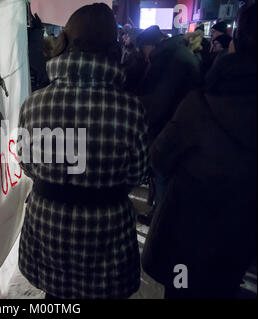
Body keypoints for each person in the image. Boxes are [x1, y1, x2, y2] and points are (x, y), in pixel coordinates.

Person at [17, 3, 149, 299]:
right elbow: (138, 172)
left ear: (64, 42)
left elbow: (26, 163)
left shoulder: (34, 103)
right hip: (106, 228)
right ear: (114, 49)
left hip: (48, 223)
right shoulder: (130, 108)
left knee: (56, 296)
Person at [142, 3, 257, 299]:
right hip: (241, 238)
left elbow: (159, 156)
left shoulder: (203, 103)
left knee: (182, 289)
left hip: (190, 235)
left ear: (236, 42)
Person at [137, 26, 202, 210]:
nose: (144, 55)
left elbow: (158, 103)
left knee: (164, 182)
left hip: (171, 132)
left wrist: (135, 106)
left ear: (150, 46)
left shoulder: (169, 60)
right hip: (183, 130)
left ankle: (160, 220)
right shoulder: (178, 54)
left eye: (143, 50)